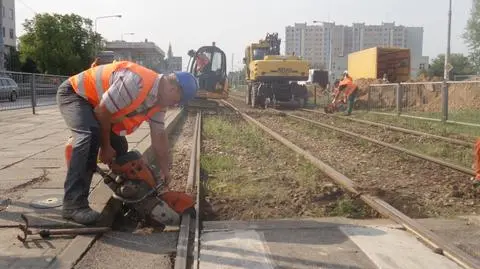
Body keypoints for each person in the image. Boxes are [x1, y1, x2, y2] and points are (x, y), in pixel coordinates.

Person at [56, 60, 198, 225]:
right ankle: (73, 205)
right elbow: (102, 112)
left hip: (98, 105)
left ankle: (125, 190)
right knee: (89, 136)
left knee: (121, 147)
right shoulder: (136, 83)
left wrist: (165, 170)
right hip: (76, 95)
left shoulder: (159, 102)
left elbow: (159, 136)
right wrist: (106, 147)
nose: (175, 105)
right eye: (177, 101)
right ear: (173, 89)